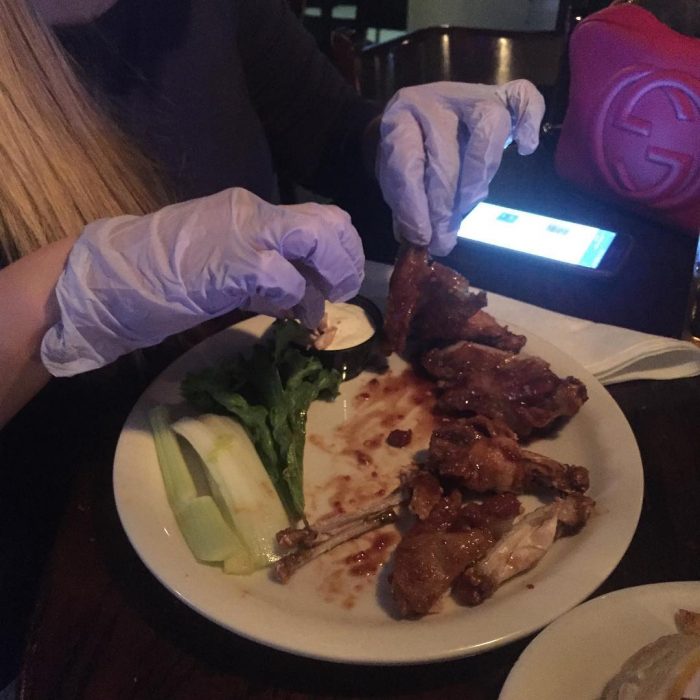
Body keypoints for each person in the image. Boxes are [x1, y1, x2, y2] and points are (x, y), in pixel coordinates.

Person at [0, 0, 545, 689]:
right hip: (54, 578)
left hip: (291, 532)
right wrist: (57, 296)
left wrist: (396, 142)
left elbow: (327, 131)